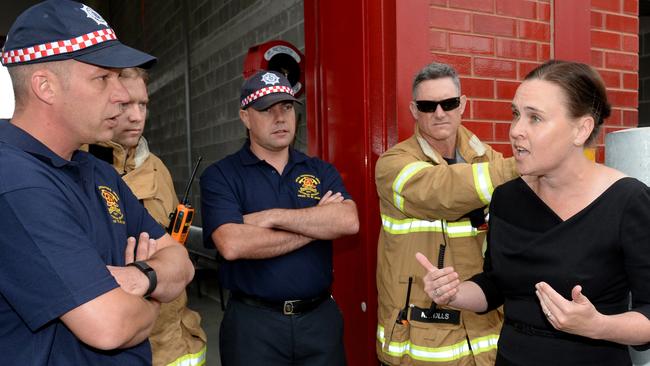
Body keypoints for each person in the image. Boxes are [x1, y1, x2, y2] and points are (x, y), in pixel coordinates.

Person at [417, 60, 650, 366]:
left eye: (535, 118)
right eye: (516, 114)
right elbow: (495, 284)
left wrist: (597, 325)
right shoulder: (507, 198)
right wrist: (455, 293)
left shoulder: (627, 201)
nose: (516, 130)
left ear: (581, 129)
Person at [0, 1, 194, 365]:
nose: (121, 95)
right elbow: (112, 327)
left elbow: (181, 262)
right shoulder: (14, 181)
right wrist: (154, 294)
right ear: (46, 87)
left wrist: (138, 279)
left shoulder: (97, 170)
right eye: (103, 78)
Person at [200, 69, 359, 366]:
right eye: (267, 110)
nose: (280, 117)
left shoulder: (319, 170)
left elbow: (348, 221)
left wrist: (270, 217)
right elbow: (232, 243)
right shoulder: (221, 176)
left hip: (319, 321)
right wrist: (317, 225)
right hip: (253, 326)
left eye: (286, 107)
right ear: (245, 117)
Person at [375, 62, 519, 365]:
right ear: (414, 110)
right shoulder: (393, 164)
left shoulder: (488, 158)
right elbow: (439, 191)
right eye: (428, 106)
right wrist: (523, 165)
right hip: (420, 340)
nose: (439, 113)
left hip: (485, 338)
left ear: (462, 104)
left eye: (449, 103)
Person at [87, 67, 207, 366]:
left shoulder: (157, 168)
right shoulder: (79, 168)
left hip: (176, 341)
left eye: (143, 104)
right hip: (120, 343)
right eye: (125, 104)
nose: (137, 116)